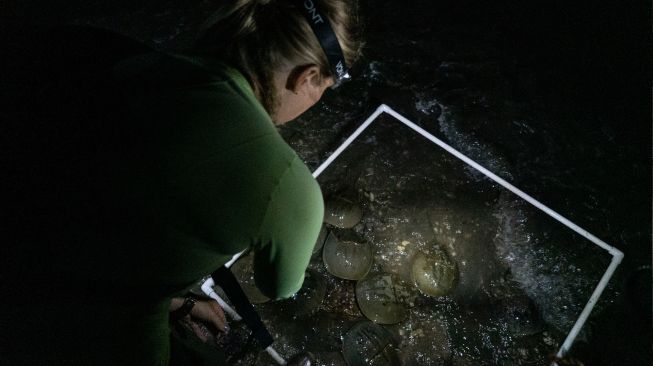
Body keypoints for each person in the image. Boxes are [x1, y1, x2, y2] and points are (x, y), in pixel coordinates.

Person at [0, 0, 361, 364]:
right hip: (86, 320)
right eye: (324, 90)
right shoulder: (289, 187)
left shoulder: (131, 60)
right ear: (306, 76)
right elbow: (280, 286)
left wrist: (178, 300)